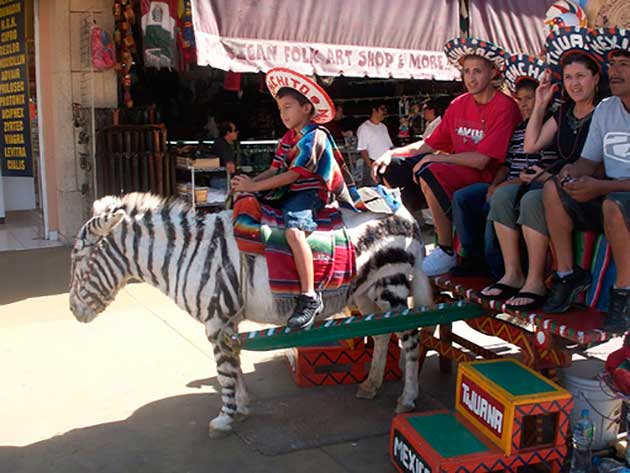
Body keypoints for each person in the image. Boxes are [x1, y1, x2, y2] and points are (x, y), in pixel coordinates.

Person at [372, 37, 522, 276]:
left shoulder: (505, 106)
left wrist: (439, 158)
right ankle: (415, 238)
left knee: (428, 169)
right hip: (457, 171)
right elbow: (429, 145)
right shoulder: (459, 103)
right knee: (393, 168)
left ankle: (445, 249)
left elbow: (483, 160)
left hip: (488, 176)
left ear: (492, 72)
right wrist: (390, 153)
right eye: (466, 72)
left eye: (477, 71)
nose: (471, 78)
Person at [480, 27, 605, 310]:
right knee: (501, 196)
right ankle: (513, 274)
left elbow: (598, 164)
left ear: (596, 78)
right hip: (555, 180)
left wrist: (549, 175)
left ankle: (535, 280)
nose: (574, 83)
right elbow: (531, 145)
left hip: (583, 186)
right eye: (569, 77)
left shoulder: (604, 111)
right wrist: (540, 103)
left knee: (533, 198)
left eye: (581, 76)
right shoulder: (564, 113)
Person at [231, 68, 352, 330]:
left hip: (308, 192)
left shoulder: (314, 137)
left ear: (306, 108)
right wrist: (249, 186)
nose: (283, 114)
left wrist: (255, 184)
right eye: (280, 109)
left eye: (288, 107)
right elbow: (275, 169)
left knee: (294, 232)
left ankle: (310, 296)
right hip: (288, 190)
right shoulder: (288, 137)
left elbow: (292, 176)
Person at [542, 28, 630, 329]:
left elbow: (607, 188)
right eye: (612, 63)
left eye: (624, 65)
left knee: (613, 205)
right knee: (553, 188)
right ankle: (567, 275)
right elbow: (588, 161)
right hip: (609, 194)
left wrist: (602, 187)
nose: (613, 71)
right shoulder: (606, 109)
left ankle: (623, 294)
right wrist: (571, 173)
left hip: (618, 198)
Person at [451, 54, 548, 278]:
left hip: (530, 185)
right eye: (520, 99)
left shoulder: (548, 128)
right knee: (463, 197)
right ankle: (472, 256)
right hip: (507, 183)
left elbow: (539, 168)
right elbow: (506, 164)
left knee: (497, 201)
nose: (524, 104)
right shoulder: (517, 130)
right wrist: (496, 184)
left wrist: (504, 186)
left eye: (530, 99)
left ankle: (497, 268)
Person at [357, 103, 393, 185]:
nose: (384, 112)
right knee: (372, 192)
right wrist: (371, 167)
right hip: (372, 163)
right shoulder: (364, 128)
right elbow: (363, 149)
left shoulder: (383, 127)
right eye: (382, 109)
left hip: (385, 164)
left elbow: (389, 146)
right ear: (374, 110)